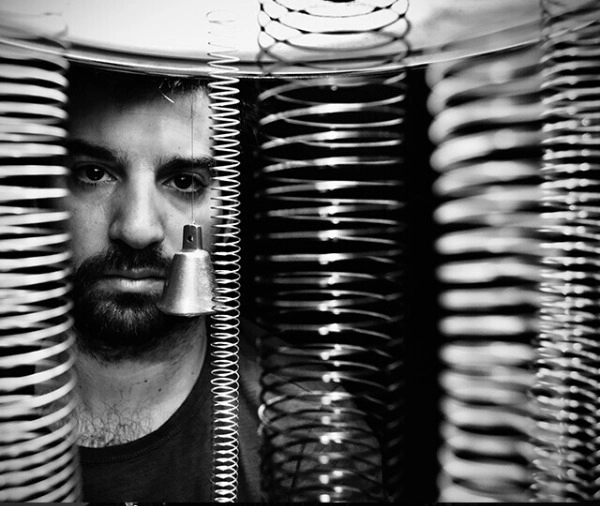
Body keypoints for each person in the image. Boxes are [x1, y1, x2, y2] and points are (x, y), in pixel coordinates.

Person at [65, 65, 384, 503]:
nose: (137, 229)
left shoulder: (308, 432)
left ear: (231, 208)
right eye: (94, 174)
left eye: (185, 182)